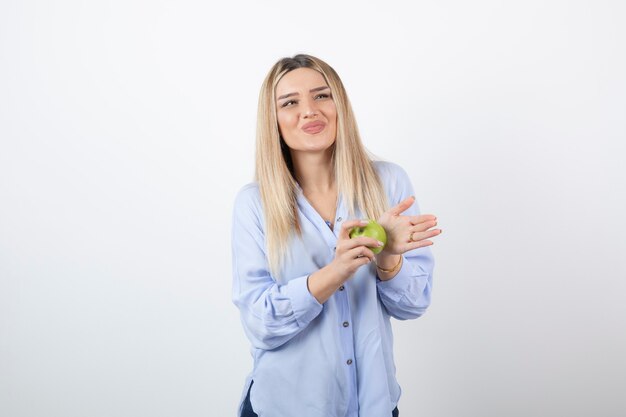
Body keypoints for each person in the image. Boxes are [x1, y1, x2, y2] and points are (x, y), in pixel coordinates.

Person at [231, 54, 441, 417]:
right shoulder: (254, 204)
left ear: (339, 104)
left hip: (374, 406)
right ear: (274, 120)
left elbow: (413, 305)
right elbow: (260, 325)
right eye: (290, 102)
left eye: (322, 96)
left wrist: (389, 259)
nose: (309, 111)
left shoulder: (389, 183)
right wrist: (335, 272)